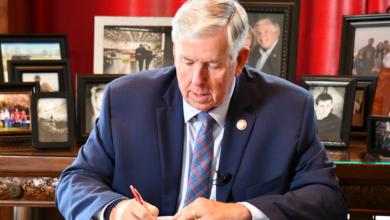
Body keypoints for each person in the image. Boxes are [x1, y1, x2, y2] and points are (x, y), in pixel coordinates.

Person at [55, 1, 348, 220]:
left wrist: (242, 213)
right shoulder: (125, 99)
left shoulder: (289, 108)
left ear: (240, 60)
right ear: (174, 50)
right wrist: (116, 209)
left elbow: (328, 199)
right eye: (188, 61)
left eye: (214, 64)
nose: (198, 81)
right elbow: (74, 182)